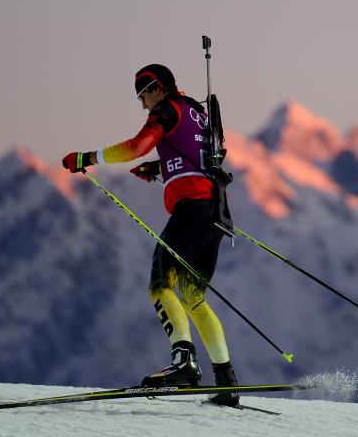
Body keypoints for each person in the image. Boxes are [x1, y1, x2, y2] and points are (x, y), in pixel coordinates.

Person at [61, 64, 239, 406]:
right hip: (216, 213)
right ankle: (226, 382)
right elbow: (198, 156)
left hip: (191, 208)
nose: (144, 105)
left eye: (143, 97)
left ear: (156, 88)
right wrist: (158, 168)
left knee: (160, 284)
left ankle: (184, 363)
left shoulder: (167, 109)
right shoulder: (197, 113)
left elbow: (137, 145)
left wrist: (87, 157)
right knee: (193, 297)